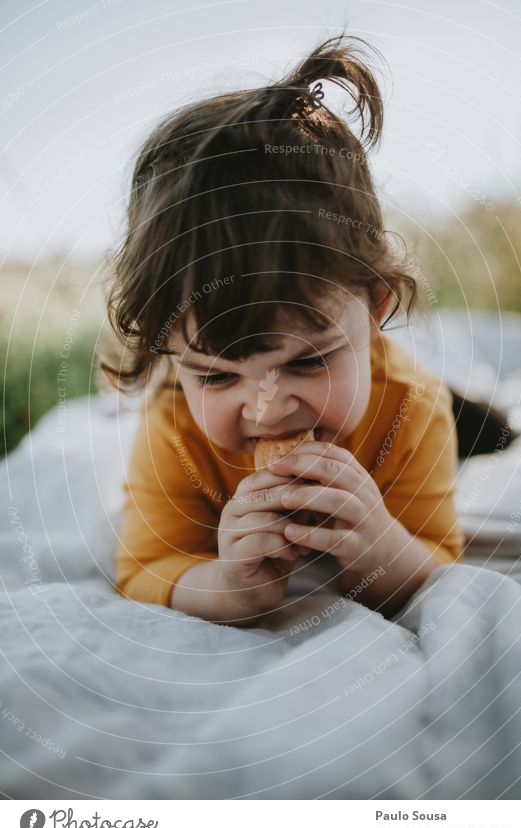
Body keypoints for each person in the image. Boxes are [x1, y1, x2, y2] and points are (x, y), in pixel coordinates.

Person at [101, 33, 468, 625]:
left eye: (305, 362)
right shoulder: (172, 421)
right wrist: (227, 586)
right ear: (170, 352)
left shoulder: (412, 409)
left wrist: (386, 554)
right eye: (218, 378)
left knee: (474, 422)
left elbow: (438, 559)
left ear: (374, 311)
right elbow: (145, 567)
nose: (266, 411)